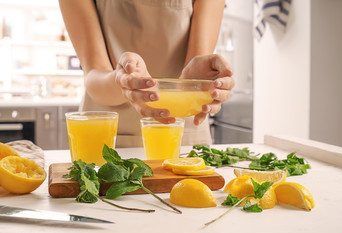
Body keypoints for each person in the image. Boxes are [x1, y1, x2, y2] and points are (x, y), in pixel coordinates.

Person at [59, 0, 234, 148]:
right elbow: (94, 74)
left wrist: (199, 84)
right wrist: (123, 81)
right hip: (108, 138)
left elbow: (196, 65)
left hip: (182, 134)